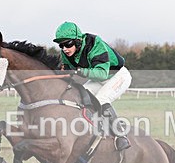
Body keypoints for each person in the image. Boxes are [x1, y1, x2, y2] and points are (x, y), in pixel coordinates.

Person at [53, 21, 131, 151]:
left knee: (101, 99)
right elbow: (67, 73)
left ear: (78, 41)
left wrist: (78, 71)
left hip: (118, 76)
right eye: (61, 45)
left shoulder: (95, 44)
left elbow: (101, 73)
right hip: (98, 79)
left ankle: (121, 134)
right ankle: (94, 127)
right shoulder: (66, 53)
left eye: (68, 44)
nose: (65, 48)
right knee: (80, 97)